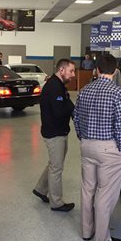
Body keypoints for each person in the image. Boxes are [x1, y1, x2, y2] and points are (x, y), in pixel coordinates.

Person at [73, 54, 121, 241]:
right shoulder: (118, 93)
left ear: (96, 70)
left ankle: (87, 231)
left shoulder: (85, 90)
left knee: (88, 189)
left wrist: (82, 137)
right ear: (115, 71)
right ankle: (102, 237)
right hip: (108, 148)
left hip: (87, 146)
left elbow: (76, 117)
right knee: (105, 193)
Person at [32, 59, 76, 212]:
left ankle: (40, 189)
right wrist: (70, 107)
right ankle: (56, 202)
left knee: (53, 164)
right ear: (61, 70)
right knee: (57, 168)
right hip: (54, 133)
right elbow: (59, 112)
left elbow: (66, 104)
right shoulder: (55, 87)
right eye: (71, 71)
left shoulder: (59, 85)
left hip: (58, 131)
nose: (73, 75)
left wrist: (69, 105)